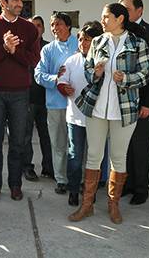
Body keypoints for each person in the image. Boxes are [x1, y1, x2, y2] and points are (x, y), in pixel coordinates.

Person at [68, 3, 149, 224]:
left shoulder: (137, 43)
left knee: (118, 157)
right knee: (93, 155)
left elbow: (145, 75)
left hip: (123, 109)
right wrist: (95, 73)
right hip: (96, 107)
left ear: (120, 18)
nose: (102, 20)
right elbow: (87, 70)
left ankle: (113, 205)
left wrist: (126, 78)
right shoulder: (97, 41)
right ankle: (87, 205)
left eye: (106, 17)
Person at [0, 0, 40, 203]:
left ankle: (15, 185)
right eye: (15, 0)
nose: (19, 4)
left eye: (21, 0)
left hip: (20, 94)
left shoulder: (30, 29)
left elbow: (33, 59)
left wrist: (15, 52)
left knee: (18, 143)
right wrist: (4, 49)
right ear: (3, 3)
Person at [120, 0, 149, 205]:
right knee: (125, 146)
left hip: (145, 102)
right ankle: (127, 184)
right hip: (124, 102)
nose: (123, 13)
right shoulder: (119, 33)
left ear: (140, 10)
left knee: (142, 146)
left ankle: (141, 188)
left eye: (127, 9)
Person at [57, 21, 104, 206]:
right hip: (75, 118)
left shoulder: (103, 63)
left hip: (98, 119)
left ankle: (90, 192)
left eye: (88, 40)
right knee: (75, 158)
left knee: (94, 159)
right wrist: (63, 88)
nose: (83, 43)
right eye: (81, 39)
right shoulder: (71, 60)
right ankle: (74, 191)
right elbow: (61, 80)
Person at [35, 12, 78, 195]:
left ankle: (79, 178)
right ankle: (61, 179)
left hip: (77, 104)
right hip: (55, 104)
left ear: (68, 25)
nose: (54, 28)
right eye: (52, 25)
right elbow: (38, 75)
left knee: (77, 145)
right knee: (58, 144)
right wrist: (56, 78)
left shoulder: (79, 43)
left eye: (58, 24)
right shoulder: (48, 50)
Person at [23, 16, 53, 181]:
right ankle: (27, 167)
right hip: (26, 98)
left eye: (39, 26)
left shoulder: (48, 48)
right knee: (25, 136)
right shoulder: (20, 47)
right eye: (31, 26)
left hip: (47, 99)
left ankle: (49, 167)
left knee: (47, 135)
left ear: (43, 29)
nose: (35, 29)